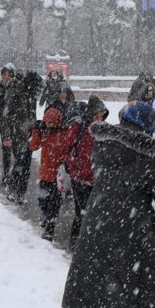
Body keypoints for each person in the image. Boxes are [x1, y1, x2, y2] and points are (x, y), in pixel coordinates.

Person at [61, 102, 155, 308]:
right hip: (130, 233)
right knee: (127, 300)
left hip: (96, 226)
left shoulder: (102, 144)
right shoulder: (151, 155)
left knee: (99, 297)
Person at [62, 95, 109, 252]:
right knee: (82, 212)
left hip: (96, 178)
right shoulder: (79, 127)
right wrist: (72, 165)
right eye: (97, 115)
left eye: (102, 115)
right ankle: (76, 244)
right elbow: (66, 148)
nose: (99, 118)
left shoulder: (104, 129)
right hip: (80, 177)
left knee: (93, 213)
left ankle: (86, 244)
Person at [28, 86, 71, 241]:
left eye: (53, 123)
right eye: (48, 123)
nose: (50, 125)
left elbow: (68, 151)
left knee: (55, 203)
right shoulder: (44, 132)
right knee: (42, 200)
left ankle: (50, 227)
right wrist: (36, 131)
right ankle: (45, 216)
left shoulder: (64, 133)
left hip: (57, 175)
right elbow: (33, 146)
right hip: (45, 173)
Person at [2, 70, 42, 203]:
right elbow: (7, 115)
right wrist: (7, 136)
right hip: (16, 134)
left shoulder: (32, 95)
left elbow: (33, 115)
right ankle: (12, 189)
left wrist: (35, 130)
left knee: (26, 165)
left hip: (28, 135)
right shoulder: (16, 92)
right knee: (20, 162)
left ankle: (21, 193)